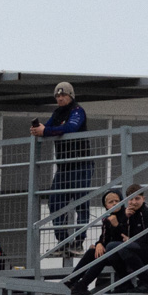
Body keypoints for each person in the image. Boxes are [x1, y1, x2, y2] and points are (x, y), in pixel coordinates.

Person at [32, 82, 91, 255]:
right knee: (54, 202)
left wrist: (45, 131)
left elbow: (71, 128)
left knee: (81, 204)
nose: (60, 98)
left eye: (63, 95)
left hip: (81, 164)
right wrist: (38, 130)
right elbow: (48, 128)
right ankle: (63, 241)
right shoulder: (57, 113)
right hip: (64, 167)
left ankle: (78, 242)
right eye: (57, 96)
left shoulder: (77, 111)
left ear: (71, 96)